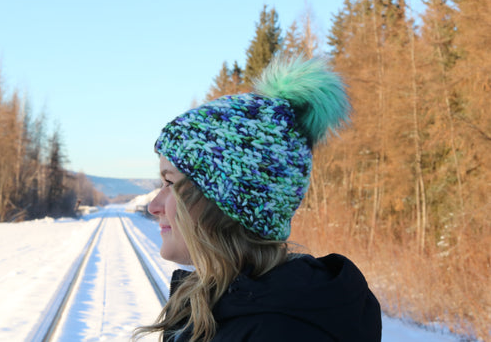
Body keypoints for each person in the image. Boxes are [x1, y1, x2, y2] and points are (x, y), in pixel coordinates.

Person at [133, 55, 382, 341]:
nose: (154, 206)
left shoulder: (280, 332)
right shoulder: (217, 308)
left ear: (224, 200)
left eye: (170, 182)